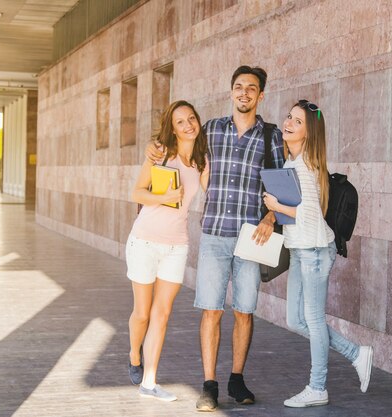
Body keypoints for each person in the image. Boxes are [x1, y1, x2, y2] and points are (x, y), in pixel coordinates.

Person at [146, 66, 284, 411]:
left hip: (251, 237)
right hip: (214, 235)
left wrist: (270, 217)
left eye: (251, 88)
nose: (244, 93)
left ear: (260, 96)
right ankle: (209, 385)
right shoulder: (211, 130)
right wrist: (156, 146)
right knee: (211, 310)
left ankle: (237, 379)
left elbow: (281, 188)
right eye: (238, 87)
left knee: (244, 311)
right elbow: (178, 146)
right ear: (231, 91)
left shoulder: (271, 136)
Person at [263, 100, 374, 408]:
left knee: (311, 318)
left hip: (314, 252)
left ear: (309, 133)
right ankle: (356, 354)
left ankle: (318, 386)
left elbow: (309, 215)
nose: (288, 123)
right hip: (301, 250)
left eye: (297, 122)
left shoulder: (305, 165)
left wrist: (276, 208)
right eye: (289, 117)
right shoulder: (291, 162)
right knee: (297, 320)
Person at [127, 100, 209, 402]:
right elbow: (136, 193)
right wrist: (163, 197)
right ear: (172, 130)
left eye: (191, 118)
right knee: (142, 313)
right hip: (144, 241)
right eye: (180, 122)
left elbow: (212, 190)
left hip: (176, 245)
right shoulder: (160, 155)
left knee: (162, 314)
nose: (188, 125)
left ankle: (149, 382)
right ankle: (133, 353)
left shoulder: (201, 162)